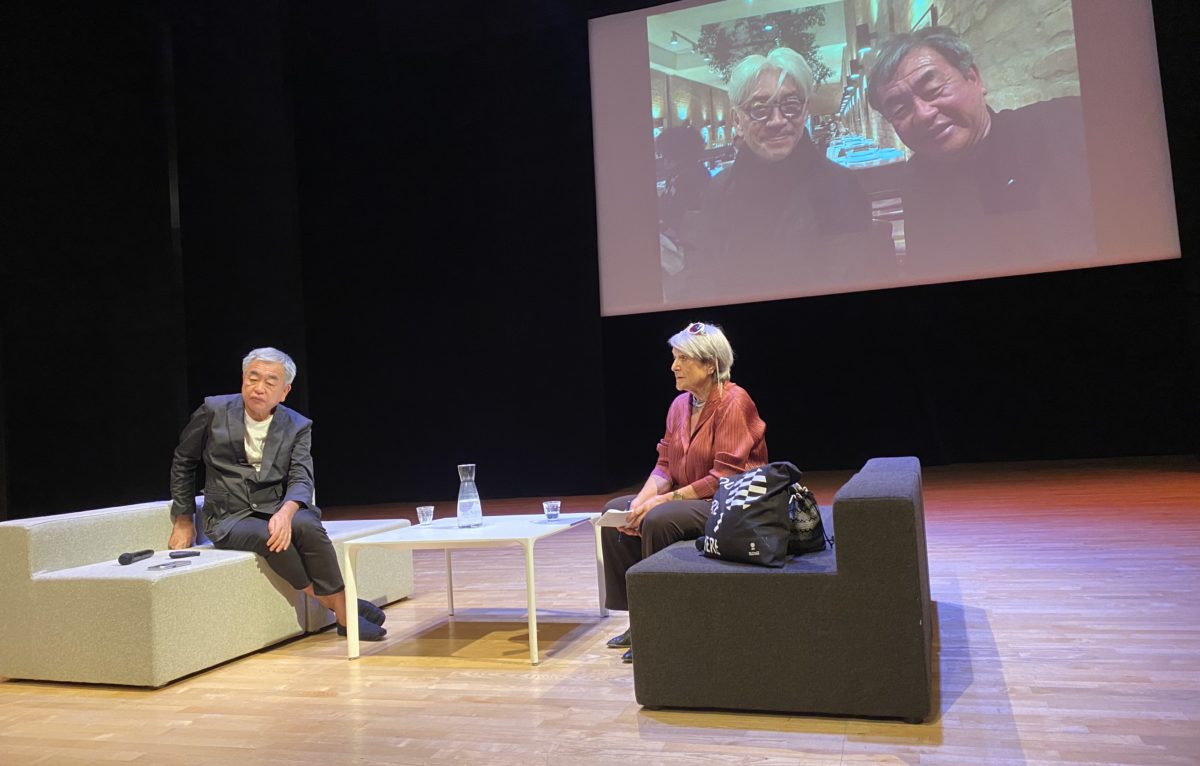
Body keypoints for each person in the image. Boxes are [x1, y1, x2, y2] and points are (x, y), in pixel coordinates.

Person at [168, 347, 387, 641]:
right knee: (266, 536)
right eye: (252, 378)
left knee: (307, 525)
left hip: (275, 504)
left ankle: (341, 607)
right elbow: (184, 461)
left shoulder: (297, 426)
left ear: (284, 391)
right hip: (227, 514)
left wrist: (287, 511)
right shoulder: (213, 411)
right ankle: (342, 609)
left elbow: (301, 477)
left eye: (270, 382)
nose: (258, 388)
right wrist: (183, 519)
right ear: (243, 379)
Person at [866, 26, 1095, 277]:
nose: (923, 114)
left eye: (933, 91)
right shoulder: (914, 179)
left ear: (974, 78)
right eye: (900, 110)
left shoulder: (1069, 127)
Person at [601, 322, 768, 663]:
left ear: (710, 365)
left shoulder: (734, 402)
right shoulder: (679, 405)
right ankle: (639, 618)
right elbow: (664, 465)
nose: (673, 366)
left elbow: (724, 477)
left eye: (683, 359)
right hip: (690, 497)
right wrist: (640, 501)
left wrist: (660, 502)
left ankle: (663, 626)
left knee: (659, 519)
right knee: (615, 511)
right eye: (674, 357)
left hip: (729, 503)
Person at [672, 47, 894, 302]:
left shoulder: (840, 186)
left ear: (805, 110)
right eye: (759, 108)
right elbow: (702, 276)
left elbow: (849, 281)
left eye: (790, 105)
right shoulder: (718, 189)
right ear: (736, 120)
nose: (777, 120)